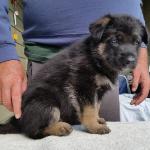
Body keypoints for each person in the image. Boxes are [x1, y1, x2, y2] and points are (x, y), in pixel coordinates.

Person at [0, 0, 149, 120]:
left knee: (104, 139)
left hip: (111, 68)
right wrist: (4, 51)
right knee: (47, 130)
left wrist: (141, 48)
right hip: (50, 67)